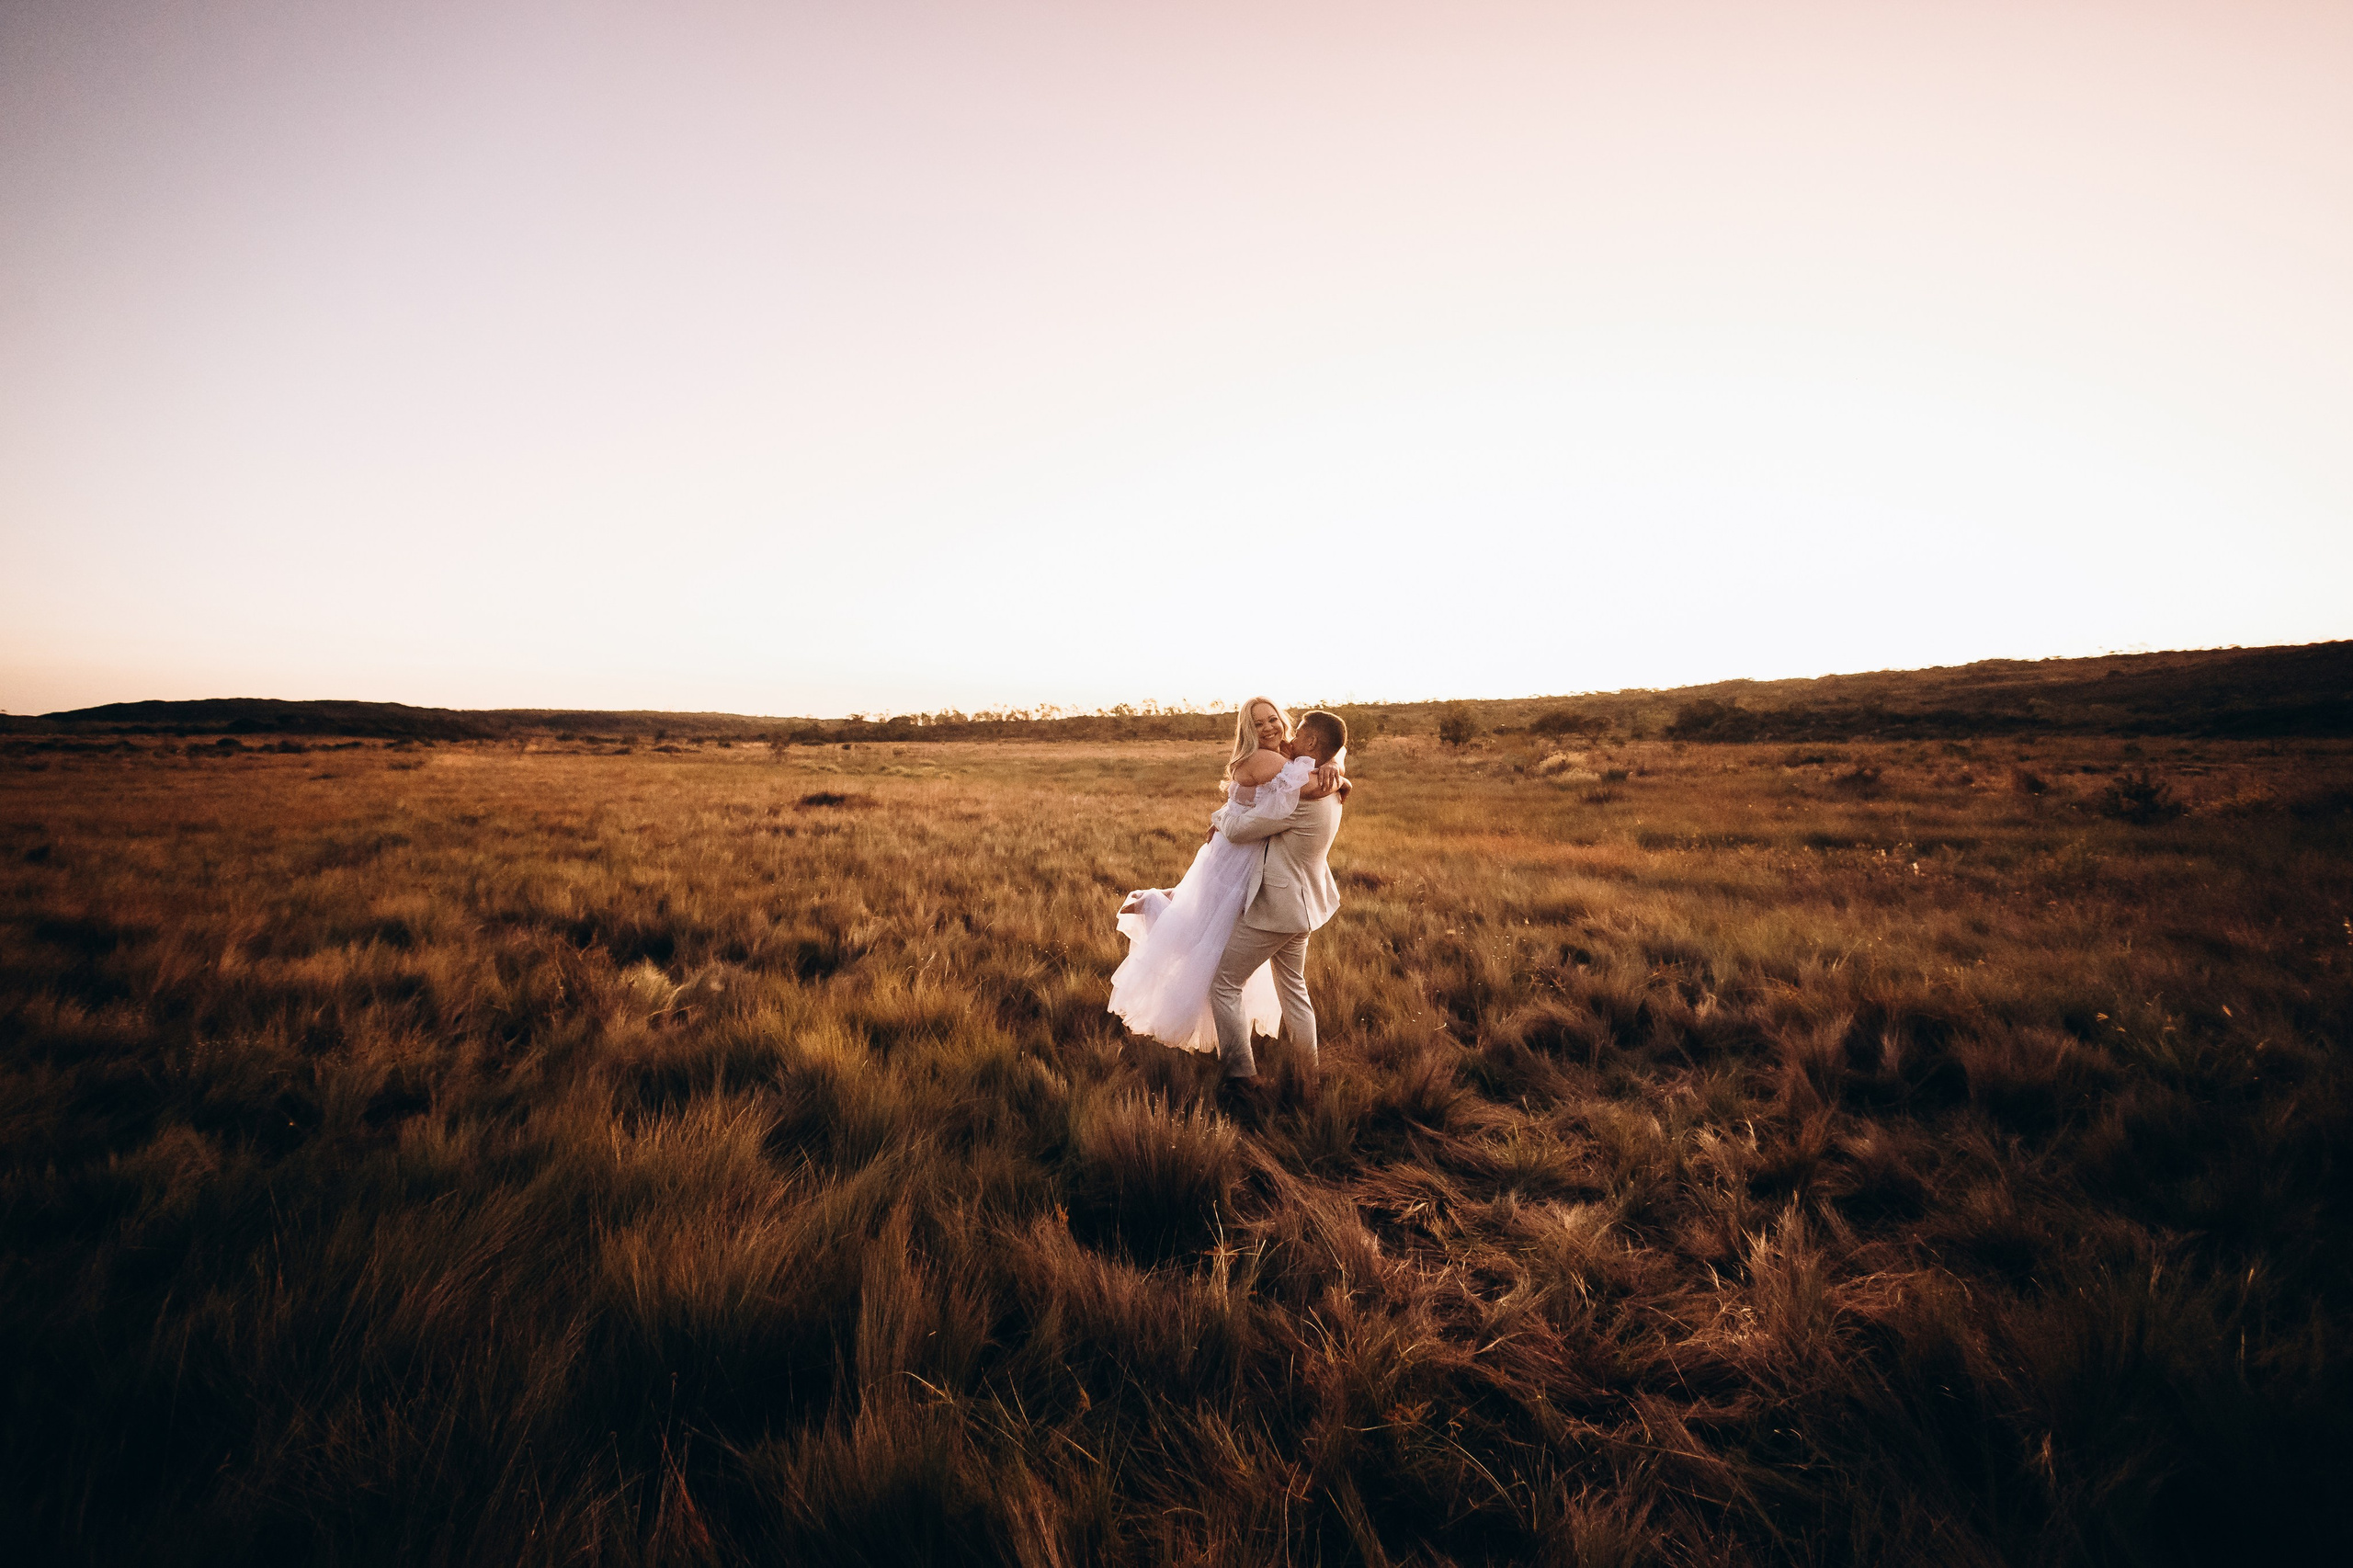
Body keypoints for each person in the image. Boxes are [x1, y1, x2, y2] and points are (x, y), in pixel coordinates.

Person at [1108, 699, 1345, 1058]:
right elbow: (1305, 785)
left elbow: (1251, 822)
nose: (1271, 729)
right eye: (1258, 724)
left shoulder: (1290, 771)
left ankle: (1242, 1074)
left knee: (1218, 961)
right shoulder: (1290, 768)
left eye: (1273, 721)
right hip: (1281, 885)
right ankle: (1303, 1071)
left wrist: (1220, 818)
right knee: (1274, 976)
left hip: (1269, 888)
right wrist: (1339, 776)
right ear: (1247, 730)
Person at [1206, 709, 1348, 1115]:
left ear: (1311, 745)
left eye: (1299, 731)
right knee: (1294, 990)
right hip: (1306, 907)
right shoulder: (1327, 783)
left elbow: (1238, 828)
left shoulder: (1297, 800)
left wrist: (1217, 817)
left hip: (1279, 908)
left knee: (1225, 984)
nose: (1290, 734)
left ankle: (1241, 1079)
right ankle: (1310, 1075)